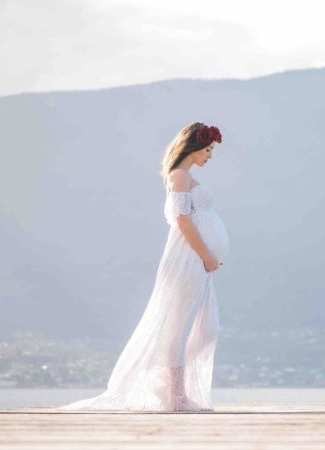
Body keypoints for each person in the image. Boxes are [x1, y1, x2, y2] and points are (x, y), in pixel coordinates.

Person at [57, 122, 229, 412]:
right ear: (195, 147)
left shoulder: (186, 176)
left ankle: (169, 385)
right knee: (178, 327)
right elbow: (182, 220)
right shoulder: (179, 176)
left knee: (204, 328)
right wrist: (206, 254)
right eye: (209, 150)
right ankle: (174, 394)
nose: (210, 156)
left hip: (196, 259)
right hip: (187, 258)